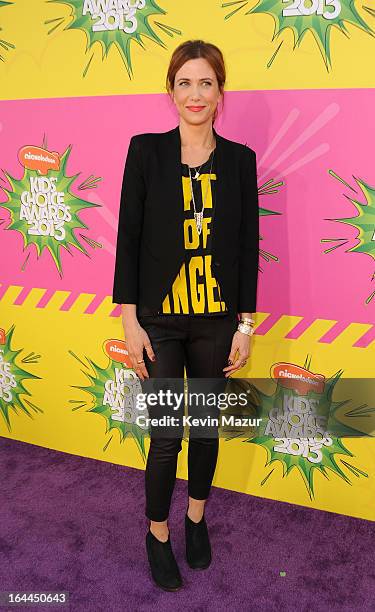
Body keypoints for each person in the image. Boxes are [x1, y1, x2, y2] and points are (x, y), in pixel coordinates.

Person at [112, 39, 259, 591]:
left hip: (216, 320)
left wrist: (245, 324)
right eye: (184, 82)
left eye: (206, 83)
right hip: (159, 320)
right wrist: (129, 320)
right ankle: (158, 532)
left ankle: (196, 521)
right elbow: (128, 238)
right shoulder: (145, 152)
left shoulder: (240, 160)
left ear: (221, 93)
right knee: (167, 434)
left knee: (204, 431)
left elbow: (247, 245)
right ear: (169, 91)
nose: (195, 94)